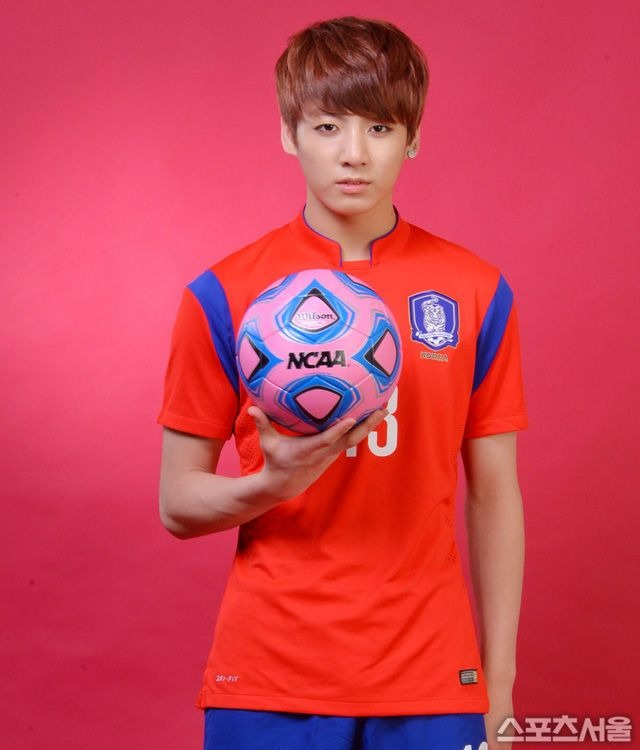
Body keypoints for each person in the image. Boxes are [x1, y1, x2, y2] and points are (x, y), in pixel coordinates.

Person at [157, 15, 527, 750]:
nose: (353, 153)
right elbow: (177, 503)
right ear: (288, 133)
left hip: (432, 674)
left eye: (380, 128)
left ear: (413, 138)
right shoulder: (224, 295)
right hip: (270, 674)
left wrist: (501, 683)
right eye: (327, 126)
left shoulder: (475, 290)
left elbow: (494, 496)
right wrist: (273, 483)